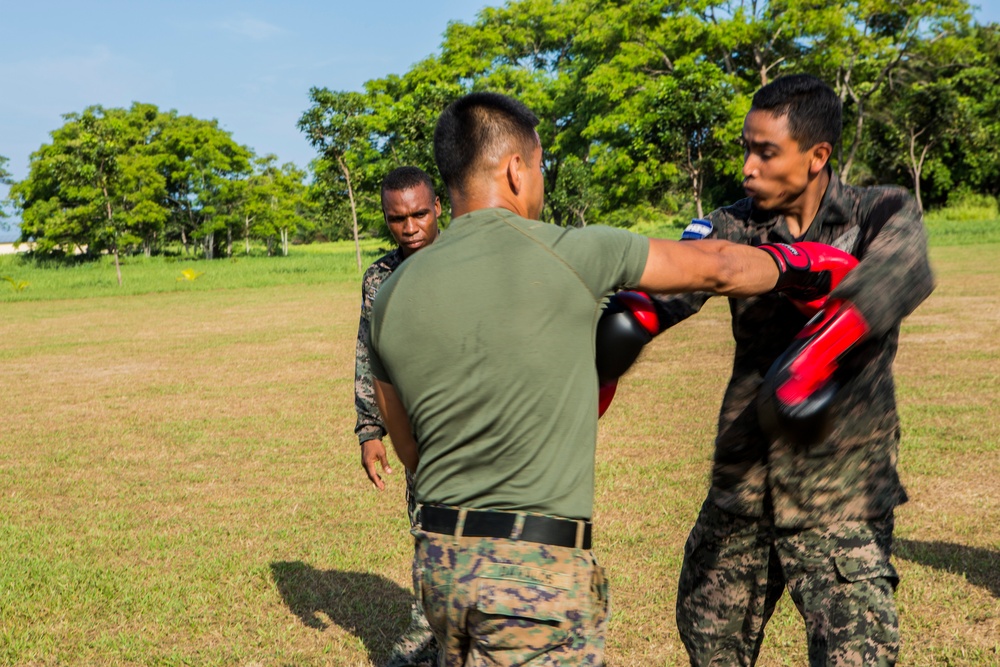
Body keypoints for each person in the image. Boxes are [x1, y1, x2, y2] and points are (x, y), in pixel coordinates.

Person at [366, 91, 847, 666]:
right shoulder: (573, 252)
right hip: (532, 574)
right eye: (540, 166)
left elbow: (409, 449)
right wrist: (811, 265)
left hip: (439, 562)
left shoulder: (389, 296)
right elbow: (717, 266)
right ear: (517, 169)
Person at [651, 74, 934, 666]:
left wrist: (810, 360)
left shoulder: (880, 210)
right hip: (744, 486)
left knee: (860, 656)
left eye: (766, 151)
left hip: (842, 489)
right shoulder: (731, 224)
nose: (748, 167)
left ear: (816, 157)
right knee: (709, 641)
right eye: (746, 149)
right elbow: (673, 287)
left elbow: (900, 273)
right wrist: (617, 322)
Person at [352, 165, 441, 667]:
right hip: (413, 432)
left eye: (419, 214)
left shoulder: (465, 262)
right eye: (397, 218)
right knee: (427, 536)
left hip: (470, 426)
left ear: (438, 208)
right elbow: (369, 354)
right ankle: (428, 640)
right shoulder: (379, 279)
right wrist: (370, 429)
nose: (410, 227)